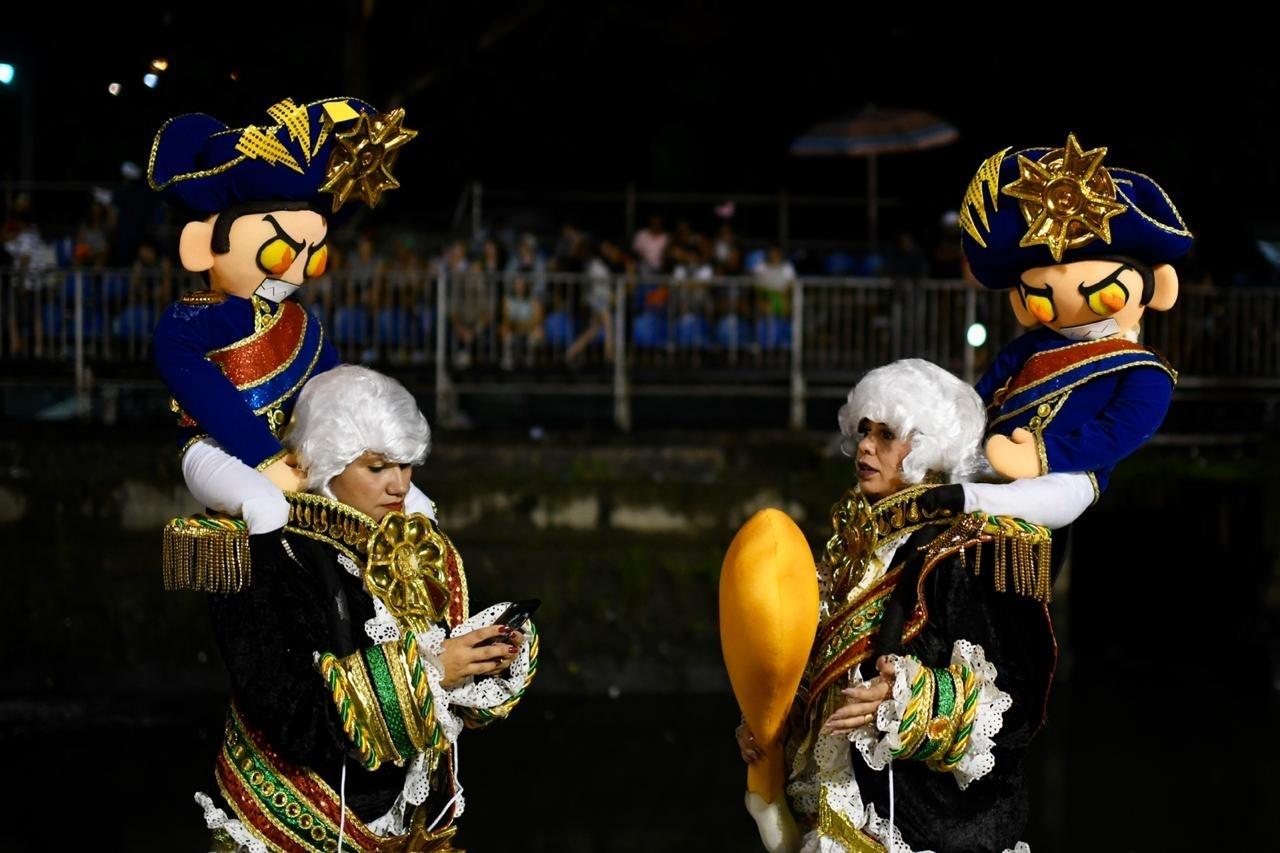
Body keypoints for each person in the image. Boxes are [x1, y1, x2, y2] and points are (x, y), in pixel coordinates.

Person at [193, 365, 538, 851]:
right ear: (328, 464)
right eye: (377, 468)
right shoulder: (265, 557)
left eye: (406, 465)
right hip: (291, 827)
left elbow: (457, 630)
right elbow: (294, 717)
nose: (399, 485)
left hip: (402, 825)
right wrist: (434, 672)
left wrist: (489, 651)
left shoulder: (408, 546)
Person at [735, 359, 1056, 853]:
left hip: (922, 827)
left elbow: (1015, 702)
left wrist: (905, 704)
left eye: (887, 434)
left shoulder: (970, 550)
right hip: (831, 820)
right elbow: (825, 686)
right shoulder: (851, 555)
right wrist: (774, 726)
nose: (865, 445)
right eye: (864, 431)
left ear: (929, 451)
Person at [149, 97, 422, 536]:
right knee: (267, 506)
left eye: (313, 256)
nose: (297, 270)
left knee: (413, 506)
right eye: (280, 251)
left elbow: (338, 392)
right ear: (200, 246)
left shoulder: (301, 323)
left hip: (296, 454)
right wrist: (267, 459)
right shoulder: (190, 323)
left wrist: (379, 450)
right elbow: (213, 403)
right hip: (214, 450)